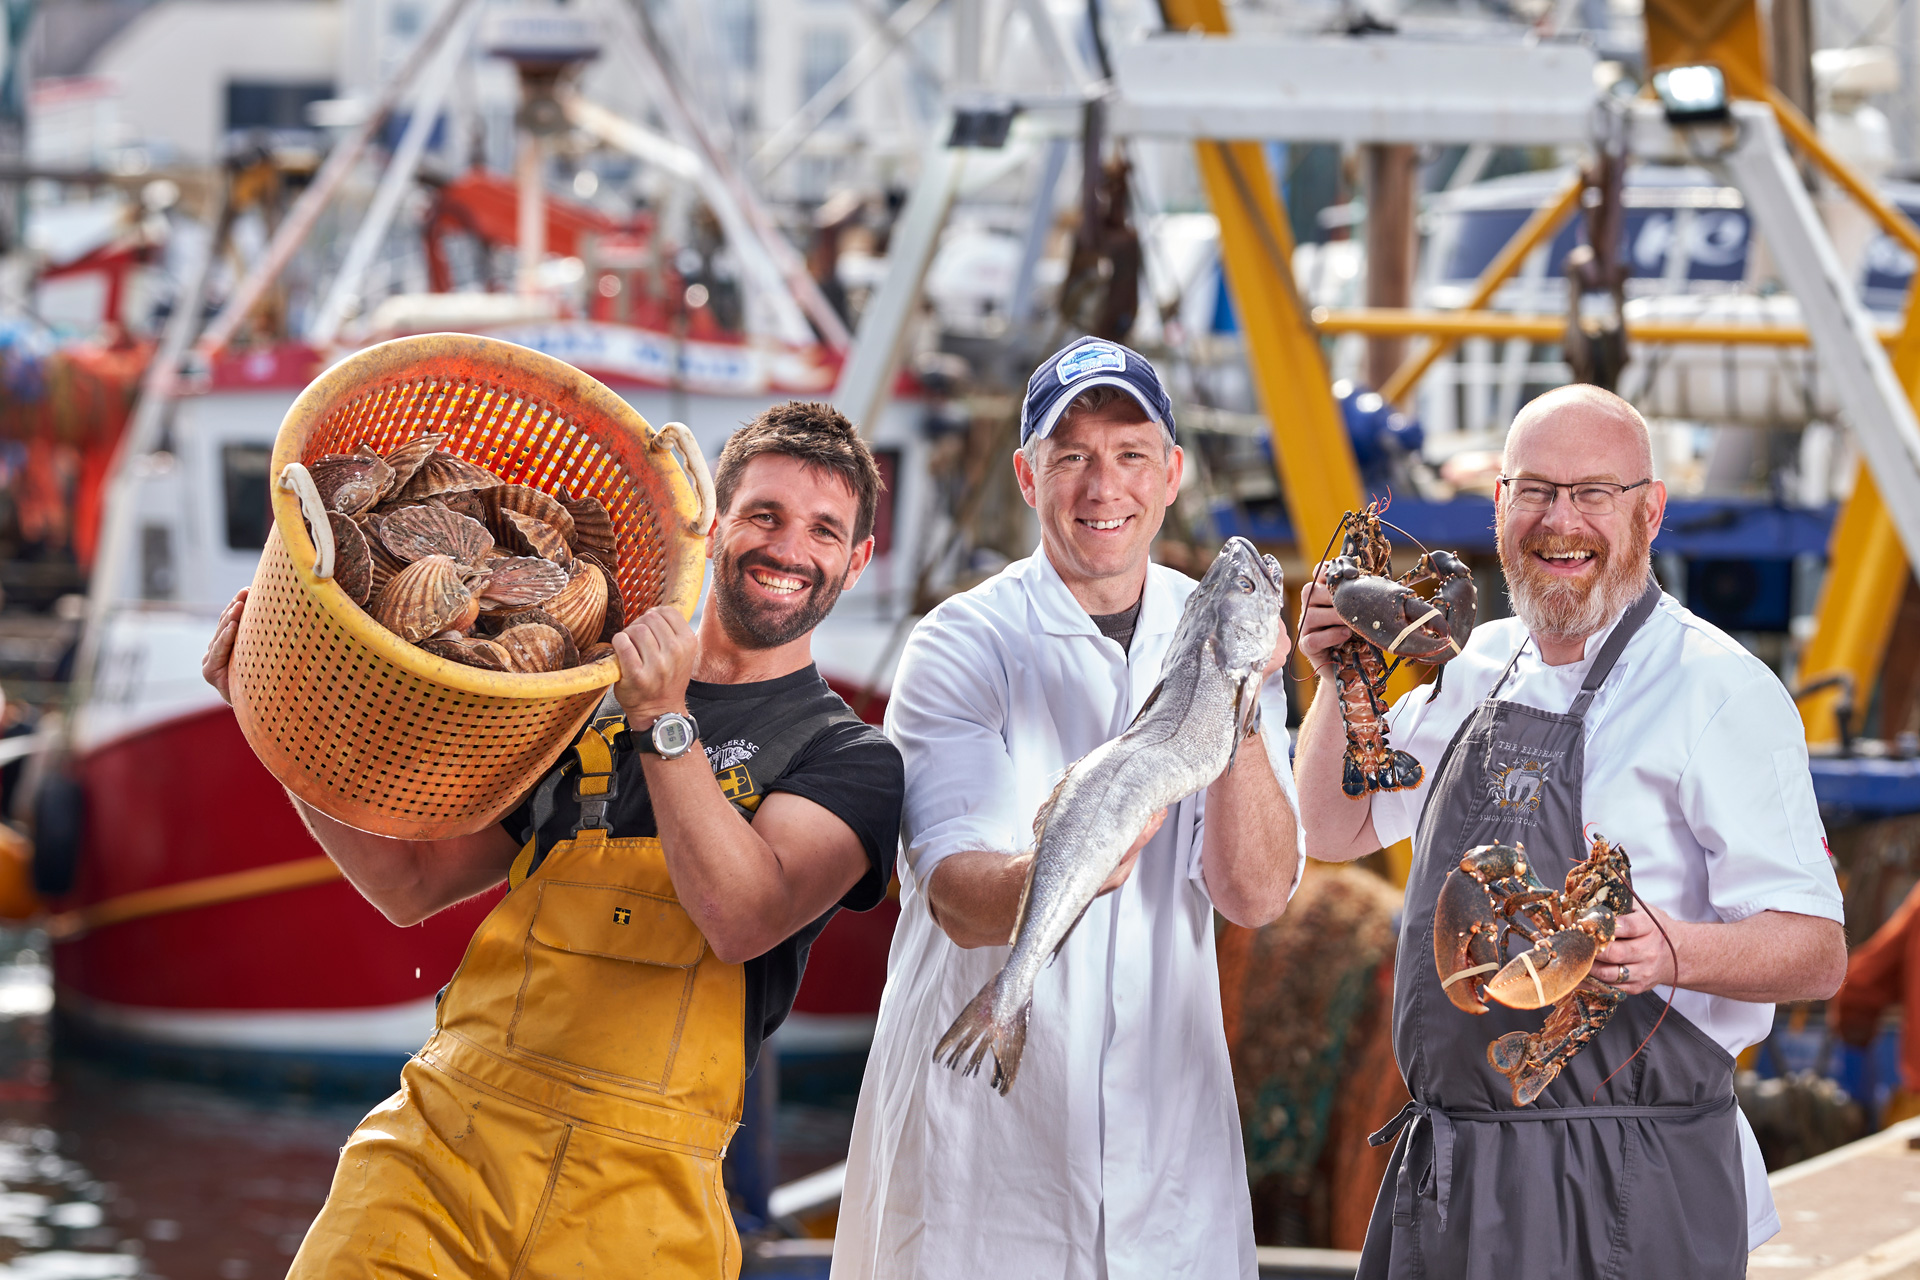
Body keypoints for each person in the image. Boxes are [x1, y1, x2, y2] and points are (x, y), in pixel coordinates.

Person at [202, 402, 904, 1278]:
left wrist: (662, 716)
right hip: (443, 1148)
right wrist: (273, 720)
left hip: (635, 1205)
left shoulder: (850, 758)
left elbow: (741, 914)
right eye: (764, 514)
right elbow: (410, 883)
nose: (788, 547)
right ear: (717, 524)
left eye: (824, 530)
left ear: (857, 560)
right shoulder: (575, 698)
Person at [1293, 384, 1846, 1278]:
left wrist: (1672, 951)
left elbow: (1817, 949)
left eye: (1594, 493)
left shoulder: (1719, 691)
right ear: (1501, 506)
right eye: (1537, 491)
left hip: (1629, 1178)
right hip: (1454, 1173)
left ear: (1651, 511)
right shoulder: (1471, 665)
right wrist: (1336, 679)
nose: (1562, 522)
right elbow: (1331, 824)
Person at [834, 337, 1304, 1280]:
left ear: (1171, 474)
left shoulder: (1221, 631)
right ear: (1027, 475)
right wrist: (1072, 866)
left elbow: (1254, 895)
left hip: (1169, 1165)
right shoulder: (961, 641)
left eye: (1131, 455)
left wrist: (1240, 699)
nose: (1105, 487)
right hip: (985, 1159)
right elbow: (957, 898)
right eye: (1072, 456)